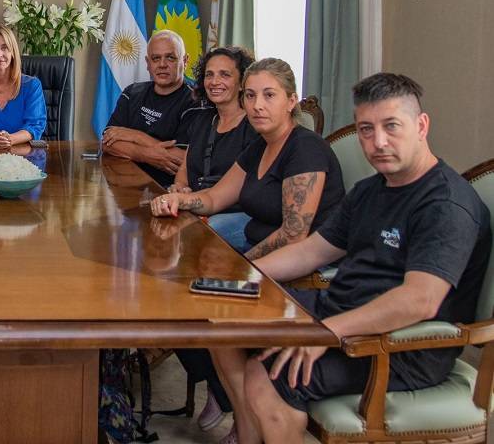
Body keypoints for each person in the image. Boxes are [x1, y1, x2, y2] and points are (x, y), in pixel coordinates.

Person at [210, 73, 491, 444]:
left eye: (391, 126)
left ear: (421, 126)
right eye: (366, 130)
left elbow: (419, 300)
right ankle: (248, 436)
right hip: (341, 309)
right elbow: (312, 250)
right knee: (224, 319)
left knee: (269, 375)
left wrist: (327, 333)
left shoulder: (445, 204)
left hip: (401, 344)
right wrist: (241, 277)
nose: (379, 142)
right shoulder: (370, 190)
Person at [151, 57, 344, 259]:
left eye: (269, 95)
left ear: (291, 101)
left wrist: (243, 265)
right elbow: (214, 198)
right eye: (250, 95)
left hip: (296, 262)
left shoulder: (305, 148)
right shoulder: (260, 146)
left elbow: (292, 236)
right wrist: (177, 199)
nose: (257, 105)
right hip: (252, 246)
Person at [168, 46, 258, 431]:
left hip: (232, 216)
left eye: (225, 74)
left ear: (241, 81)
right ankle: (216, 385)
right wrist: (178, 193)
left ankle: (226, 394)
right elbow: (184, 174)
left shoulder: (254, 124)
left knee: (184, 275)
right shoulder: (203, 121)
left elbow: (242, 191)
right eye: (209, 74)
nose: (215, 82)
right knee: (162, 290)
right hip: (197, 209)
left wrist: (191, 204)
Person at [101, 30, 196, 188]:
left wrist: (134, 136)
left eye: (170, 57)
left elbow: (179, 159)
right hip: (125, 185)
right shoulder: (132, 92)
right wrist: (146, 155)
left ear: (185, 61)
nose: (162, 65)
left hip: (167, 190)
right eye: (155, 58)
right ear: (147, 62)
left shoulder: (194, 102)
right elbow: (107, 143)